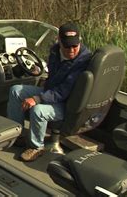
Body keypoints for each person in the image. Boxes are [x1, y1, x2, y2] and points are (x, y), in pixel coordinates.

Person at [7, 22, 92, 162]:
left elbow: (63, 91)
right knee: (15, 90)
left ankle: (36, 147)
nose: (71, 50)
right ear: (59, 40)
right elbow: (52, 73)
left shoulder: (82, 61)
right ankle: (17, 133)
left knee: (38, 110)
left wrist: (37, 99)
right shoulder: (54, 50)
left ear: (80, 41)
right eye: (67, 46)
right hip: (50, 92)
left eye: (74, 46)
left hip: (66, 103)